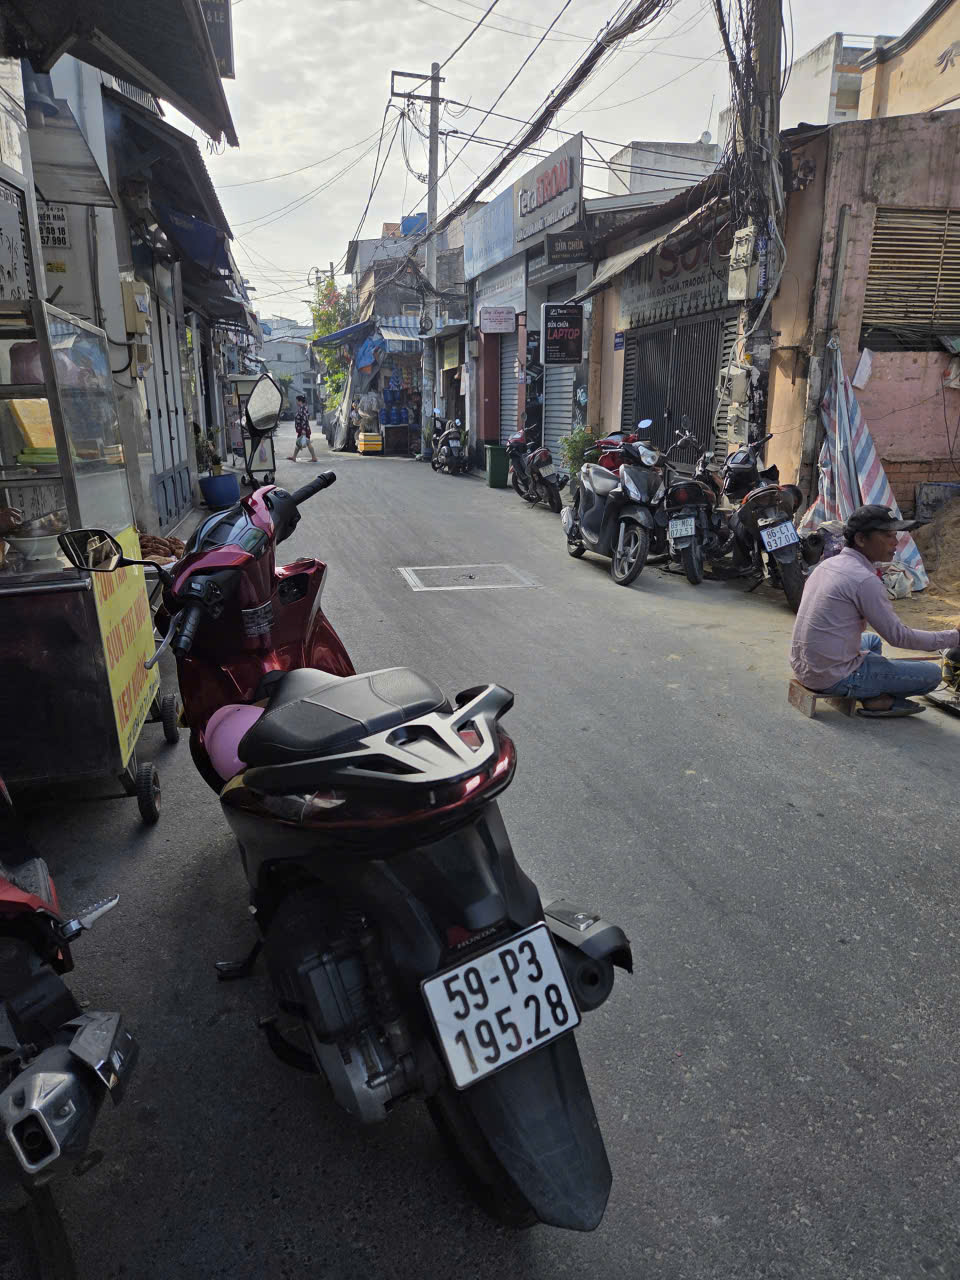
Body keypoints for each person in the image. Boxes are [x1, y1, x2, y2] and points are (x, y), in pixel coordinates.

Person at [791, 504, 960, 717]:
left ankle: (870, 684)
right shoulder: (864, 579)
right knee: (932, 675)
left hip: (804, 664)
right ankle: (873, 696)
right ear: (861, 539)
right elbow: (899, 637)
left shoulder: (828, 565)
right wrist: (954, 637)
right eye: (888, 535)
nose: (895, 542)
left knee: (872, 641)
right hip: (829, 676)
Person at [288, 395, 316, 463]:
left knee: (307, 443)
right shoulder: (302, 408)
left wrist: (303, 429)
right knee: (299, 443)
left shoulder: (303, 408)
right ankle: (294, 457)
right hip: (302, 429)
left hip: (303, 430)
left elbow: (304, 419)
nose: (296, 402)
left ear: (300, 401)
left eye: (297, 401)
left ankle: (314, 457)